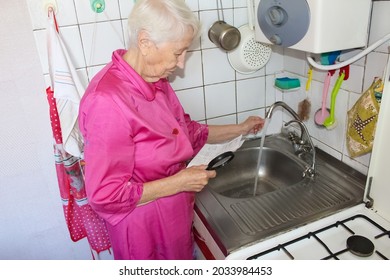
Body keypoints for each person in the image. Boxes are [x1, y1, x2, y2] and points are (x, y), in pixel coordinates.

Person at [78, 0, 264, 260]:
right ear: (145, 43)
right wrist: (178, 182)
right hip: (142, 229)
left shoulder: (155, 80)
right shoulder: (108, 101)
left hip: (174, 215)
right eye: (178, 52)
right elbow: (105, 195)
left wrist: (241, 129)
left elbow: (188, 132)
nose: (181, 64)